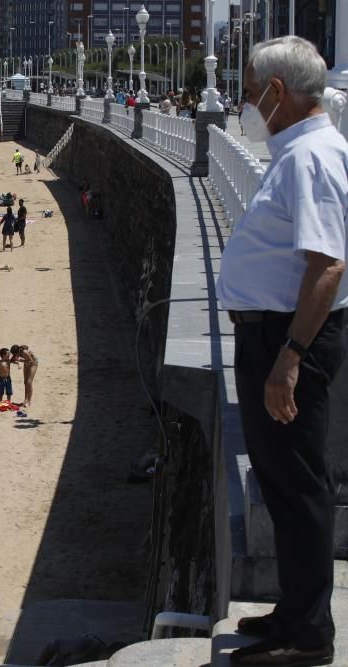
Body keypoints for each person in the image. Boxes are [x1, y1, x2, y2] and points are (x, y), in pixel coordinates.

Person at [215, 36, 348, 667]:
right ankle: (294, 613)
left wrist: (290, 357)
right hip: (270, 332)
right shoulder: (296, 152)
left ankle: (309, 636)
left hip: (286, 337)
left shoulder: (312, 157)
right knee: (280, 479)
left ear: (275, 93)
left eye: (246, 91)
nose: (242, 103)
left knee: (298, 486)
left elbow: (327, 265)